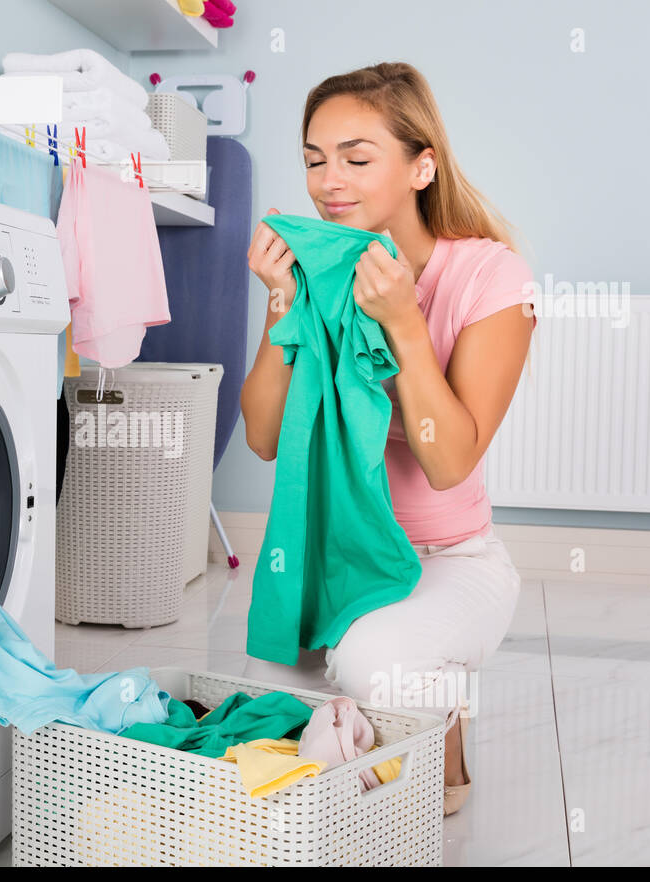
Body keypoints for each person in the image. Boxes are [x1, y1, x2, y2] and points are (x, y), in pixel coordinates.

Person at [239, 62, 536, 816]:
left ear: (421, 166)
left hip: (453, 561)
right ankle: (418, 703)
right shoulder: (321, 269)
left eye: (356, 158)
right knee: (283, 687)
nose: (327, 182)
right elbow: (264, 438)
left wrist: (404, 322)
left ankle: (447, 739)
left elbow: (449, 460)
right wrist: (284, 303)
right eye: (313, 159)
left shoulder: (491, 278)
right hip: (339, 549)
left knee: (372, 660)